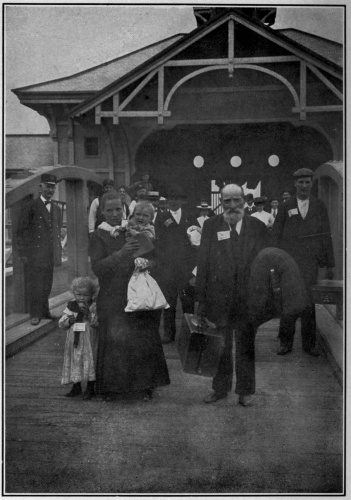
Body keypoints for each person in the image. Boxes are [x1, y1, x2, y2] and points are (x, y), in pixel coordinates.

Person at [89, 191, 170, 401]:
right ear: (102, 212)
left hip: (136, 293)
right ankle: (113, 388)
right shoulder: (98, 235)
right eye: (109, 210)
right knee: (115, 340)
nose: (115, 214)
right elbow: (98, 268)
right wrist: (121, 254)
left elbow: (158, 260)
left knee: (139, 339)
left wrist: (147, 263)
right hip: (112, 295)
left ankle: (143, 386)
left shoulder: (132, 230)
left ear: (124, 210)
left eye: (118, 209)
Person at [196, 184, 269, 406]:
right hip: (219, 298)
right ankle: (220, 389)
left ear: (245, 201)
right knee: (221, 346)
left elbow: (265, 263)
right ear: (221, 202)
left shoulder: (257, 226)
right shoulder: (211, 226)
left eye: (236, 200)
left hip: (248, 299)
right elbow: (203, 263)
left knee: (246, 346)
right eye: (227, 201)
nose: (232, 205)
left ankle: (245, 391)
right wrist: (201, 299)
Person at [272, 168, 335, 356]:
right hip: (288, 262)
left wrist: (330, 264)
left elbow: (326, 235)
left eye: (308, 182)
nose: (304, 186)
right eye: (301, 182)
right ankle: (285, 342)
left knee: (308, 303)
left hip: (310, 263)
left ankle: (309, 344)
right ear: (295, 184)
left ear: (312, 183)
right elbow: (276, 234)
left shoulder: (319, 205)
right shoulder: (285, 206)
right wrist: (275, 261)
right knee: (289, 301)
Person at [155, 185, 199, 344]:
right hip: (168, 268)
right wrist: (163, 265)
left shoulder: (190, 216)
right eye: (170, 199)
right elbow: (158, 243)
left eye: (176, 199)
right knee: (169, 303)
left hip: (186, 268)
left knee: (188, 303)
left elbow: (196, 242)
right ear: (167, 201)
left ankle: (190, 333)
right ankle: (169, 334)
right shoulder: (161, 217)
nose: (173, 202)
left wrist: (193, 269)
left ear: (182, 201)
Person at [17, 173, 62, 325]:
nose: (50, 190)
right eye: (48, 186)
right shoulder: (31, 206)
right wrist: (23, 252)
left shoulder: (56, 208)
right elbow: (22, 230)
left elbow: (56, 232)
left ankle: (45, 311)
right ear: (40, 187)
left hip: (49, 253)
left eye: (53, 187)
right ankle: (35, 314)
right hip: (35, 253)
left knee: (47, 284)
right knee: (35, 284)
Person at [59, 277, 99, 400]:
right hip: (74, 339)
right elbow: (62, 322)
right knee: (75, 360)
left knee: (89, 361)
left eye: (85, 295)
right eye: (78, 294)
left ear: (91, 294)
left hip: (88, 339)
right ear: (74, 293)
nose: (82, 298)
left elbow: (96, 323)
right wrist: (68, 321)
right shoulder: (71, 305)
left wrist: (88, 314)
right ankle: (76, 386)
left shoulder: (93, 305)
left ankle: (90, 387)